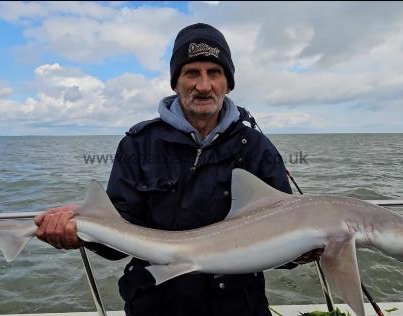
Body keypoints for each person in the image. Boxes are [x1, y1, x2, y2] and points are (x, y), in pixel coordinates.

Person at [34, 23, 318, 316]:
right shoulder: (139, 145)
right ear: (175, 82)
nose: (204, 86)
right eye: (192, 72)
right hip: (156, 303)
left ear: (228, 83)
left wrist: (302, 251)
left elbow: (281, 243)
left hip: (238, 305)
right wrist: (83, 231)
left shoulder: (257, 148)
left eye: (214, 73)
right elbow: (117, 242)